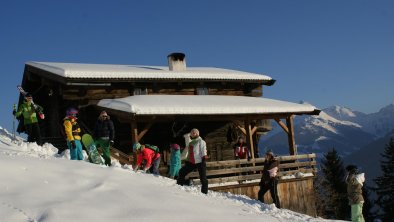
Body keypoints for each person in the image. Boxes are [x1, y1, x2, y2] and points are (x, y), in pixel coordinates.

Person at [177, 128, 208, 194]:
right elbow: (190, 152)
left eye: (192, 133)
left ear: (195, 133)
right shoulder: (192, 142)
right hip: (192, 162)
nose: (191, 135)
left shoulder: (201, 141)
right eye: (191, 134)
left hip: (200, 161)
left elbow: (203, 150)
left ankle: (204, 193)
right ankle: (179, 187)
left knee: (203, 178)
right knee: (182, 172)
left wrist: (203, 158)